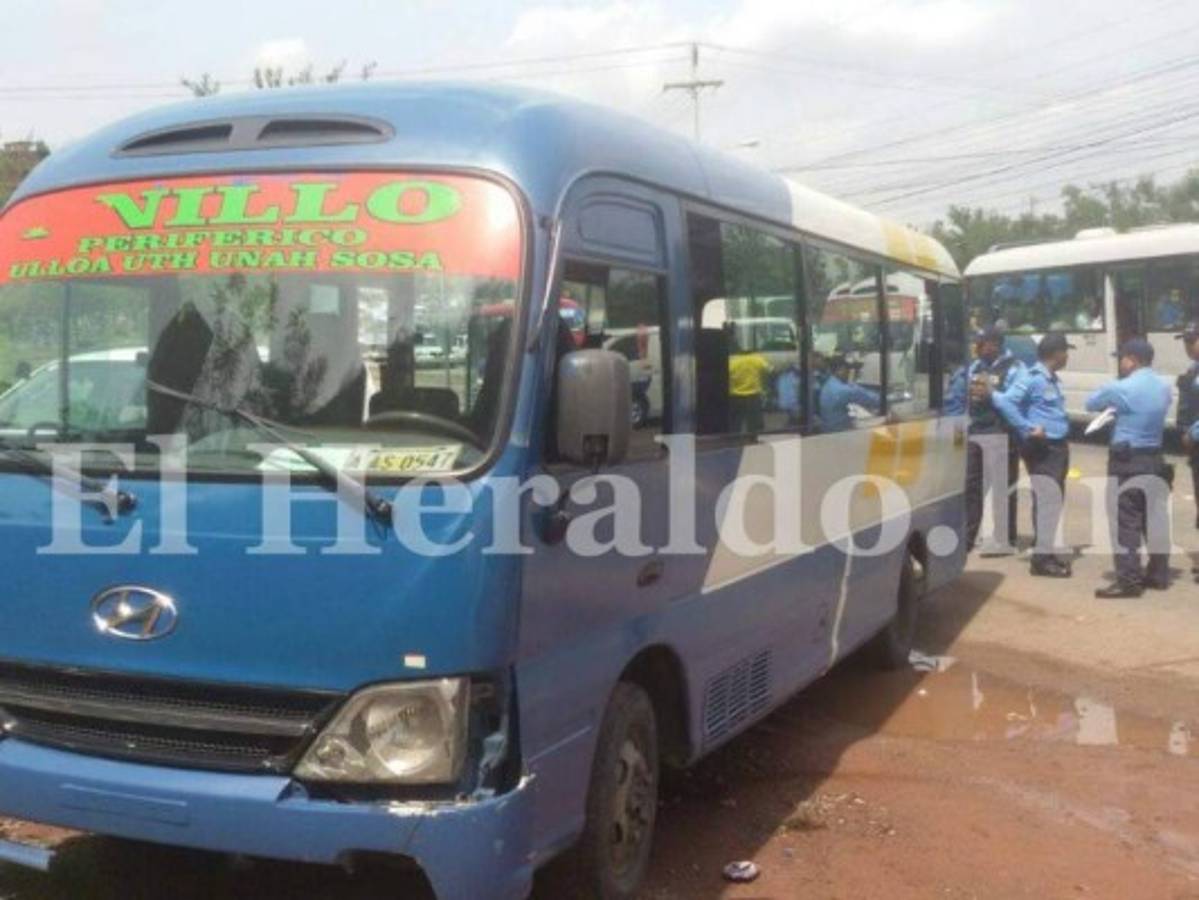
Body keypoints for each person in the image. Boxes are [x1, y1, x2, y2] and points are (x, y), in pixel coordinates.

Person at [1087, 338, 1173, 599]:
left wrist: (1117, 405)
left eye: (1121, 358)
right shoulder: (1164, 386)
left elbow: (1091, 403)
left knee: (1126, 521)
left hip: (1128, 460)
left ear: (1132, 359)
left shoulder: (1120, 387)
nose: (1120, 363)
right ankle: (1158, 575)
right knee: (1155, 518)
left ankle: (1128, 580)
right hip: (1156, 459)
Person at [992, 333, 1075, 578]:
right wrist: (1028, 428)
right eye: (1065, 351)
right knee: (1048, 501)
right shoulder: (1033, 378)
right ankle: (1041, 560)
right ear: (1056, 354)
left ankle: (1045, 552)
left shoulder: (1051, 378)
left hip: (1056, 446)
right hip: (1044, 448)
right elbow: (1006, 403)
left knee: (1051, 501)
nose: (1068, 356)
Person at [963, 326, 1027, 553]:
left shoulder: (1015, 368)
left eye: (981, 344)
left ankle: (1003, 539)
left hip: (1001, 433)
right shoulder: (975, 367)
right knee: (971, 487)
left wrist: (991, 394)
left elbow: (1014, 400)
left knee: (1002, 488)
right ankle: (968, 537)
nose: (977, 348)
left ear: (994, 345)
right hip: (976, 432)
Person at [818, 355, 880, 432]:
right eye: (848, 369)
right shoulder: (844, 390)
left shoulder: (829, 383)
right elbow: (876, 401)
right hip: (840, 432)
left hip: (829, 428)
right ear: (840, 370)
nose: (849, 372)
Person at [1177, 321, 1199, 534]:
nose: (1188, 346)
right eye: (1185, 341)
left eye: (1192, 341)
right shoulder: (1194, 368)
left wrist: (1192, 434)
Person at [727, 333, 771, 434]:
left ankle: (735, 437)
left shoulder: (733, 361)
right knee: (752, 420)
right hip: (753, 395)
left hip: (735, 395)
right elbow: (769, 370)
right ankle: (752, 438)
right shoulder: (757, 359)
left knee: (736, 420)